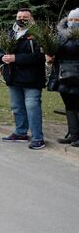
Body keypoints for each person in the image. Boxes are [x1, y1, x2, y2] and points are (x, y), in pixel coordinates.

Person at [0, 9, 46, 149]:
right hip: (13, 78)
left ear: (31, 18)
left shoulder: (37, 34)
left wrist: (16, 58)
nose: (21, 19)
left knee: (32, 107)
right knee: (17, 107)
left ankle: (37, 138)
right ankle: (20, 133)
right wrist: (2, 58)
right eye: (19, 16)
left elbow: (40, 56)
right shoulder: (10, 33)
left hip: (32, 79)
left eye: (25, 17)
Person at [49, 8, 79, 146]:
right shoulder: (60, 35)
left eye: (77, 20)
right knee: (70, 107)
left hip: (76, 76)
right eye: (71, 19)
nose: (73, 22)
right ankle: (74, 136)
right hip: (63, 75)